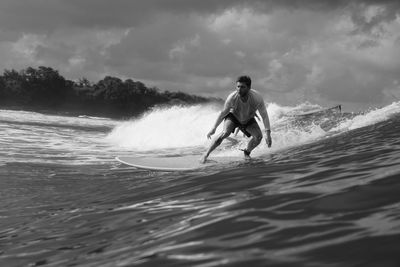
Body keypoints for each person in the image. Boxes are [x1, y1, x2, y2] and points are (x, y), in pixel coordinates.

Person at [200, 75, 272, 163]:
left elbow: (264, 115)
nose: (239, 89)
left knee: (258, 137)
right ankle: (205, 155)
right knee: (225, 133)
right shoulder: (232, 98)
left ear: (249, 88)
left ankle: (247, 152)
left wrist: (268, 134)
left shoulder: (257, 98)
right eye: (238, 86)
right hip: (234, 117)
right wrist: (213, 128)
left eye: (242, 87)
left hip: (248, 120)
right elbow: (223, 113)